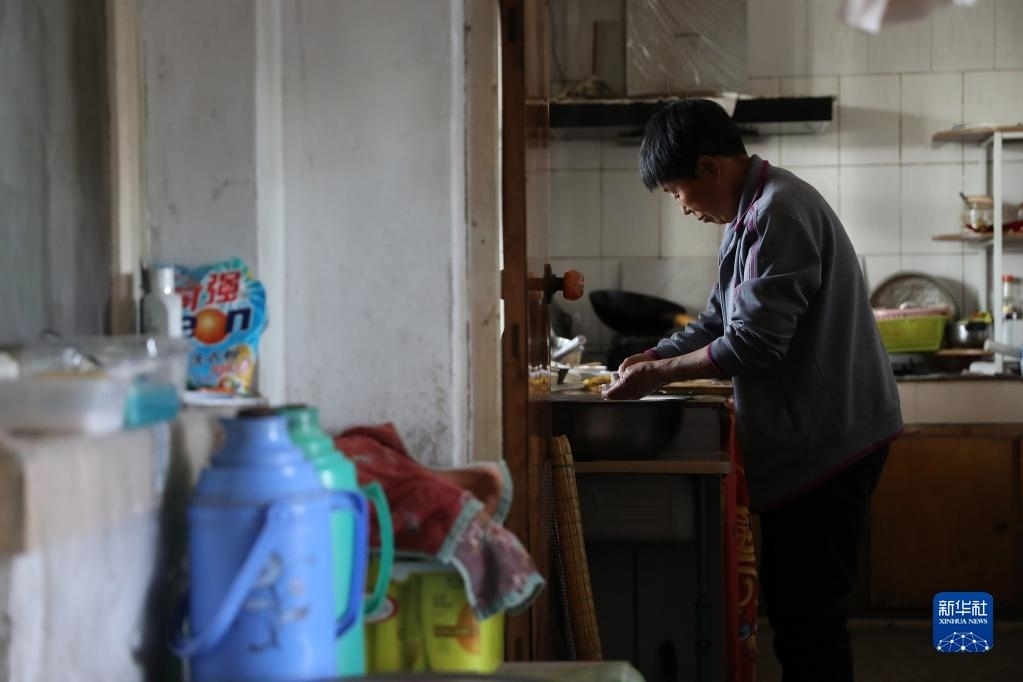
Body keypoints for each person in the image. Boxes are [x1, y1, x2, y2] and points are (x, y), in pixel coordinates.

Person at [603, 98, 903, 682]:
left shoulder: (779, 213)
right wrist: (654, 355)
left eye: (677, 191)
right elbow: (718, 321)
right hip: (812, 440)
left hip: (831, 445)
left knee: (809, 617)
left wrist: (659, 376)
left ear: (709, 167)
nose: (682, 206)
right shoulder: (747, 217)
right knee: (798, 611)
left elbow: (756, 344)